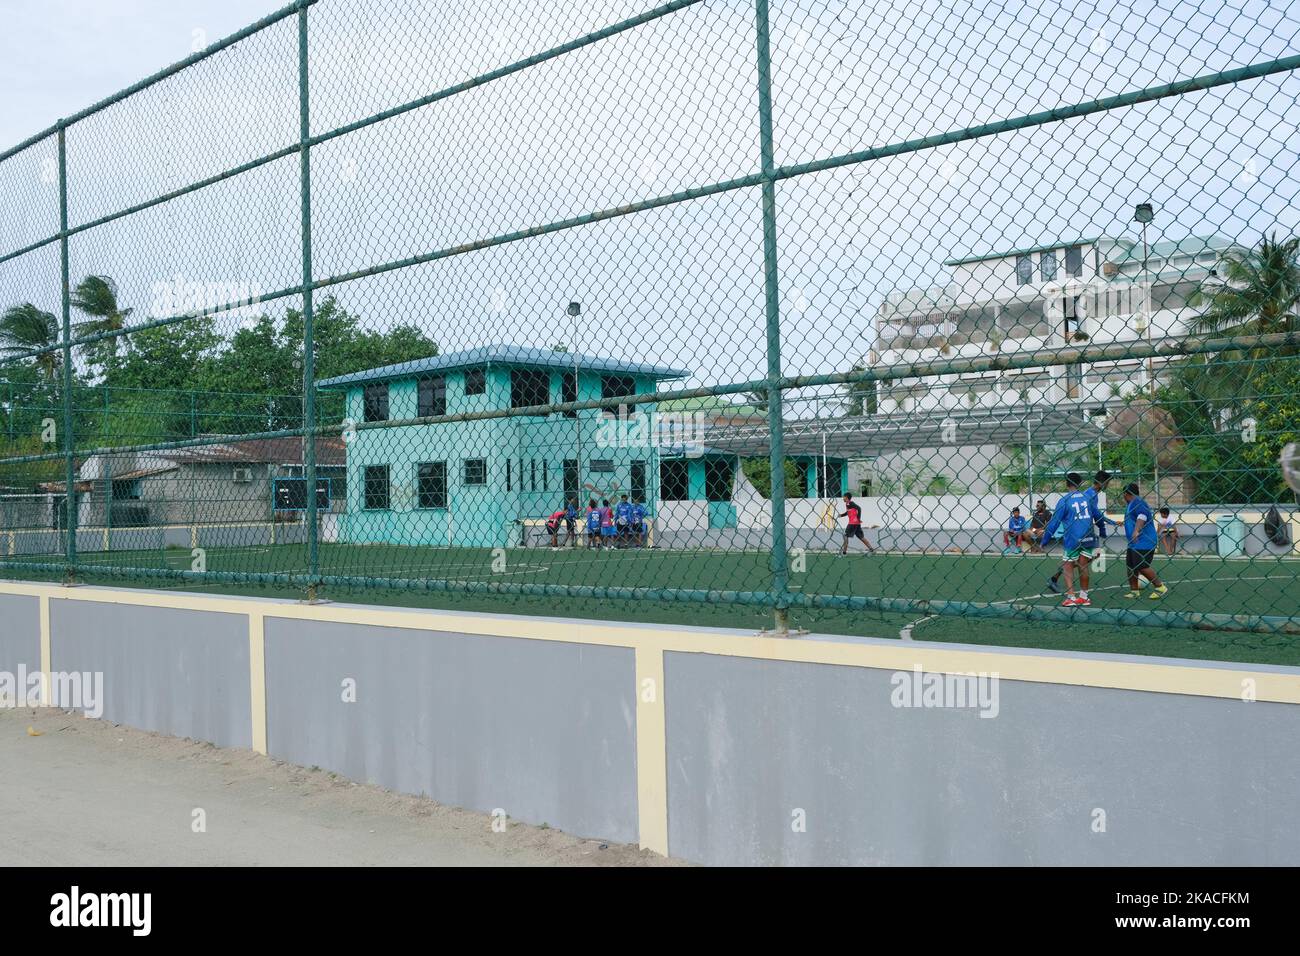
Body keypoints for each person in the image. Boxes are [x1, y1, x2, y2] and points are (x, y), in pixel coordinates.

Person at [1041, 472, 1106, 606]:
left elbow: (1054, 522)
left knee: (1068, 566)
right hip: (1088, 537)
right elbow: (1098, 516)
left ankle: (1071, 597)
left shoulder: (1064, 500)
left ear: (1066, 483)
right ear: (1080, 483)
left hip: (1072, 539)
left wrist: (1045, 539)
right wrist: (1102, 530)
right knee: (1083, 566)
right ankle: (1084, 596)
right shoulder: (1087, 497)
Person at [1048, 470, 1119, 593]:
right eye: (1107, 482)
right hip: (1081, 533)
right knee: (1093, 555)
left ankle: (1056, 576)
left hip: (1085, 532)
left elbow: (1096, 514)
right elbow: (1097, 516)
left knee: (1090, 556)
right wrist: (1111, 522)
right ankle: (1057, 576)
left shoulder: (1092, 494)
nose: (1108, 485)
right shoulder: (1090, 495)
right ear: (1102, 482)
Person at [1121, 482, 1168, 600]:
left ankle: (1160, 587)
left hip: (1145, 541)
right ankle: (1134, 590)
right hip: (1134, 543)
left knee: (1141, 565)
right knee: (1130, 566)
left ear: (1126, 494)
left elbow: (1142, 516)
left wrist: (1136, 530)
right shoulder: (1131, 504)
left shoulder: (1138, 502)